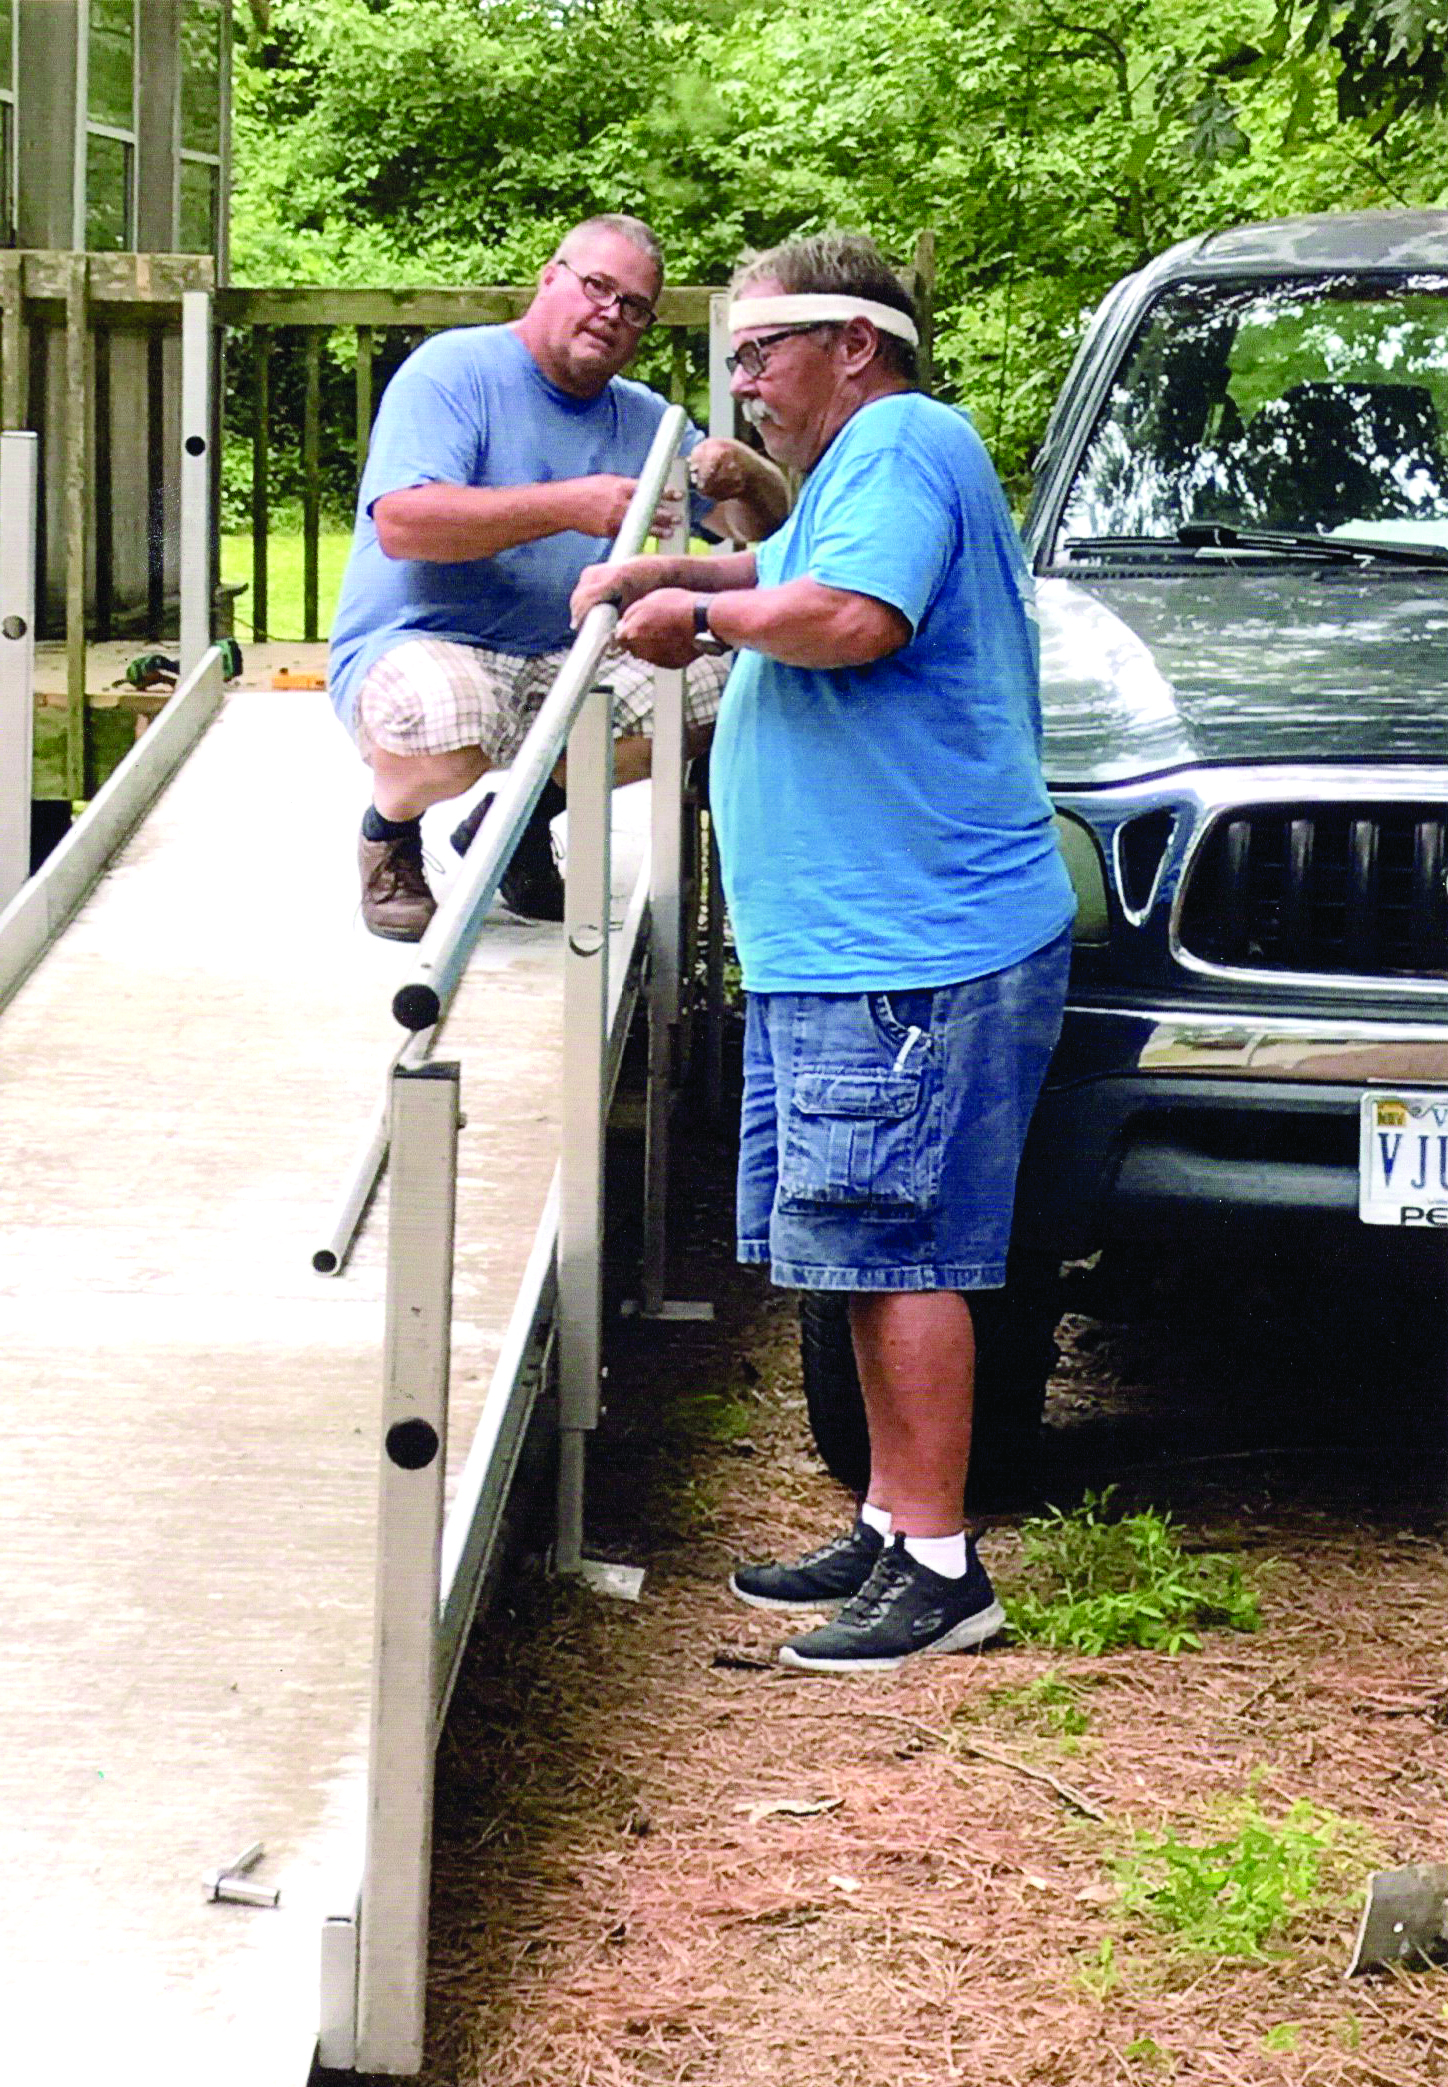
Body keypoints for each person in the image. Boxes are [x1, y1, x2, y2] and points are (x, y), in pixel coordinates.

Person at [571, 232, 1076, 1672]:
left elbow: (851, 616)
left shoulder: (910, 438)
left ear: (855, 342)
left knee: (905, 1243)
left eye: (759, 352)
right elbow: (792, 564)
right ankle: (887, 1517)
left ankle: (938, 1563)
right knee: (858, 1240)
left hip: (914, 942)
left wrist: (700, 611)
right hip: (849, 942)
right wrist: (678, 566)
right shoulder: (855, 474)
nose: (740, 384)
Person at [328, 213, 787, 939]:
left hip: (574, 651)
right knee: (453, 720)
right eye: (598, 287)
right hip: (428, 641)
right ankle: (389, 835)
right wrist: (570, 506)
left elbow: (762, 541)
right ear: (550, 278)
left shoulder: (646, 420)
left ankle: (511, 829)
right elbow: (404, 523)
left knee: (725, 688)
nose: (612, 313)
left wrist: (751, 473)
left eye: (634, 307)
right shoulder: (453, 371)